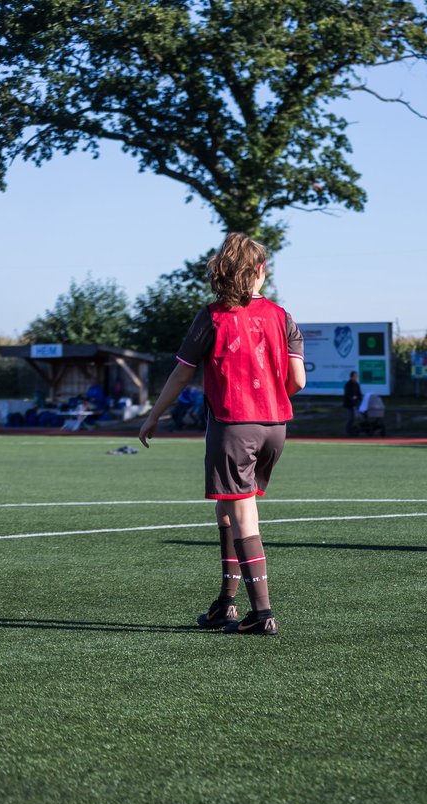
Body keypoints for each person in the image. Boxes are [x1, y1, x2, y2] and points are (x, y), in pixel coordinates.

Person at [139, 232, 306, 635]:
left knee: (243, 515)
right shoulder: (282, 316)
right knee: (229, 508)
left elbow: (182, 373)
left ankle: (262, 613)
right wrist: (268, 396)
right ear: (261, 271)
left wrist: (154, 415)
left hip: (234, 426)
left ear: (221, 274)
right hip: (275, 428)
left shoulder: (211, 316)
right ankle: (224, 604)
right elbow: (298, 380)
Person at [342, 370, 363, 435]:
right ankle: (347, 431)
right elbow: (347, 394)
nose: (356, 377)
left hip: (355, 403)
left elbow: (359, 393)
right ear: (351, 377)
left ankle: (352, 430)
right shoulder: (348, 384)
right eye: (355, 376)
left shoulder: (356, 384)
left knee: (355, 418)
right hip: (349, 404)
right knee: (350, 418)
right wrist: (352, 397)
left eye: (356, 376)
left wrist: (360, 398)